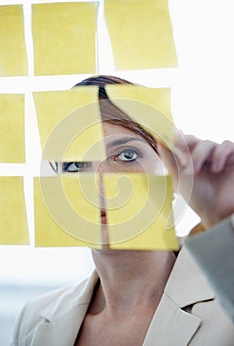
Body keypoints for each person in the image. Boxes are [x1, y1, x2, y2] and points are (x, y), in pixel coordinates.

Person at [12, 75, 234, 346]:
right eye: (74, 166)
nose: (99, 186)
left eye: (126, 156)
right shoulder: (33, 322)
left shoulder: (227, 305)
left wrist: (224, 216)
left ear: (171, 172)